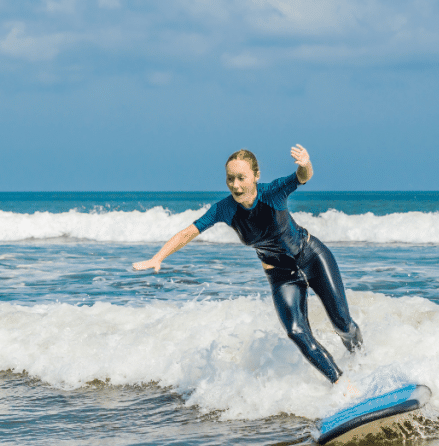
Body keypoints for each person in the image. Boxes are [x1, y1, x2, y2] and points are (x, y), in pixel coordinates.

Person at [132, 144, 363, 393]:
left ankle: (362, 360)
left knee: (342, 324)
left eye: (241, 177)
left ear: (256, 175)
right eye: (230, 179)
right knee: (296, 332)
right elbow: (189, 232)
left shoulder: (273, 193)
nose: (236, 185)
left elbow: (302, 177)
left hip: (311, 257)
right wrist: (159, 257)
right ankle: (343, 384)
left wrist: (305, 163)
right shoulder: (225, 209)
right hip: (281, 276)